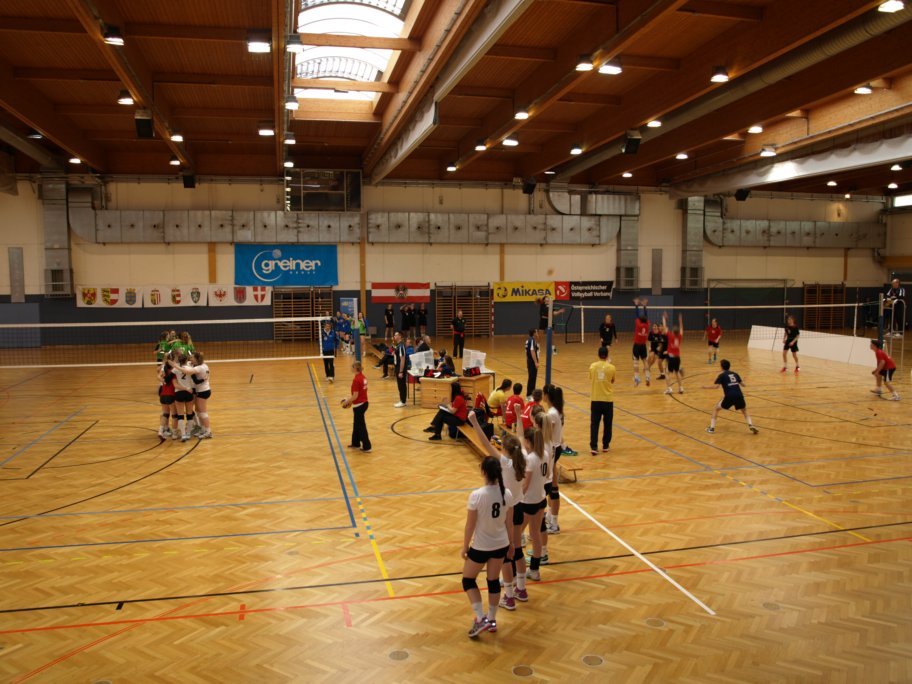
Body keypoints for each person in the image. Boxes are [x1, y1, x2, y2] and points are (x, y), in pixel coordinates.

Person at [466, 411, 525, 610]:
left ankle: (509, 596)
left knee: (507, 557)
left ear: (505, 451)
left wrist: (474, 422)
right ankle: (520, 588)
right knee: (517, 550)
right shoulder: (522, 460)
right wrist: (518, 417)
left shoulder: (505, 463)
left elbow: (485, 443)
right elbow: (521, 437)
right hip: (519, 508)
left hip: (508, 511)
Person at [460, 455, 513, 637]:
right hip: (501, 544)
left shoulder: (476, 495)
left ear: (483, 472)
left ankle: (481, 618)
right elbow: (510, 523)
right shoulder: (507, 494)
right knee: (493, 581)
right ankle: (491, 620)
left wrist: (465, 547)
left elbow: (470, 526)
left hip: (481, 546)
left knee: (468, 580)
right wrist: (511, 545)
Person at [705, 359, 759, 434]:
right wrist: (743, 381)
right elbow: (743, 385)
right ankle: (751, 425)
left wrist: (706, 387)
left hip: (729, 396)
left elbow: (716, 386)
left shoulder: (722, 375)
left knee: (716, 409)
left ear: (721, 367)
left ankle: (711, 428)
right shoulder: (735, 374)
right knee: (744, 410)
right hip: (739, 395)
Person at [542, 385, 565, 536]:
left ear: (546, 395)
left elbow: (546, 434)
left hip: (553, 450)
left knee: (552, 487)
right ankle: (550, 516)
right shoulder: (556, 411)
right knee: (552, 486)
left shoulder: (551, 414)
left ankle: (554, 523)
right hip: (555, 448)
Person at [589, 346, 616, 455]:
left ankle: (594, 447)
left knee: (594, 424)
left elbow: (591, 378)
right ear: (607, 355)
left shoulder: (592, 366)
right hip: (608, 400)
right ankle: (605, 445)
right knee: (608, 423)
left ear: (598, 355)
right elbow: (612, 380)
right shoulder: (612, 367)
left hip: (595, 399)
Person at [342, 361, 372, 451]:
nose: (351, 368)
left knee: (361, 426)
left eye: (352, 367)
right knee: (356, 424)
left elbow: (355, 396)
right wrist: (351, 400)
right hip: (363, 403)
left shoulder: (356, 380)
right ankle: (355, 443)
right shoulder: (363, 377)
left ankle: (367, 447)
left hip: (359, 405)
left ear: (355, 368)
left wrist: (347, 401)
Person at [187, 351, 212, 439]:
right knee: (198, 411)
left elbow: (187, 372)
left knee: (203, 413)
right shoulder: (204, 365)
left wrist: (175, 365)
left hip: (203, 392)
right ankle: (203, 429)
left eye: (192, 358)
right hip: (203, 390)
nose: (190, 359)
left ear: (196, 359)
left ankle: (208, 432)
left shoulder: (199, 368)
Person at [663, 313, 684, 395]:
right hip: (677, 357)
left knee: (667, 373)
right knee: (677, 372)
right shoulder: (680, 336)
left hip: (671, 358)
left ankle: (669, 389)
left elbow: (664, 327)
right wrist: (680, 321)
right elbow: (681, 329)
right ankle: (681, 388)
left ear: (672, 331)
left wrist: (664, 318)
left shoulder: (670, 336)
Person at [632, 298, 649, 386]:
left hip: (637, 345)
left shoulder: (638, 324)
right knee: (645, 361)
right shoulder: (647, 324)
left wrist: (636, 305)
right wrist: (644, 306)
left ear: (639, 320)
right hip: (643, 346)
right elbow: (646, 316)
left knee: (636, 361)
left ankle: (637, 379)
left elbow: (637, 315)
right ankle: (647, 377)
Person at [393, 332, 408, 408]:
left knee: (402, 385)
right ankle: (402, 400)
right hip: (397, 367)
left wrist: (401, 371)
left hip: (400, 369)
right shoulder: (398, 345)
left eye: (395, 335)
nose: (394, 336)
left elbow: (402, 359)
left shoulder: (401, 346)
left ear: (400, 336)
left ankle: (403, 401)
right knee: (400, 385)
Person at [525, 329, 540, 398]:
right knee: (532, 378)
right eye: (536, 332)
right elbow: (532, 351)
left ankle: (531, 394)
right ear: (534, 333)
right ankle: (529, 395)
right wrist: (536, 362)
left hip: (530, 361)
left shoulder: (529, 340)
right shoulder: (532, 340)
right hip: (532, 362)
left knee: (532, 378)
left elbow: (526, 352)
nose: (537, 333)